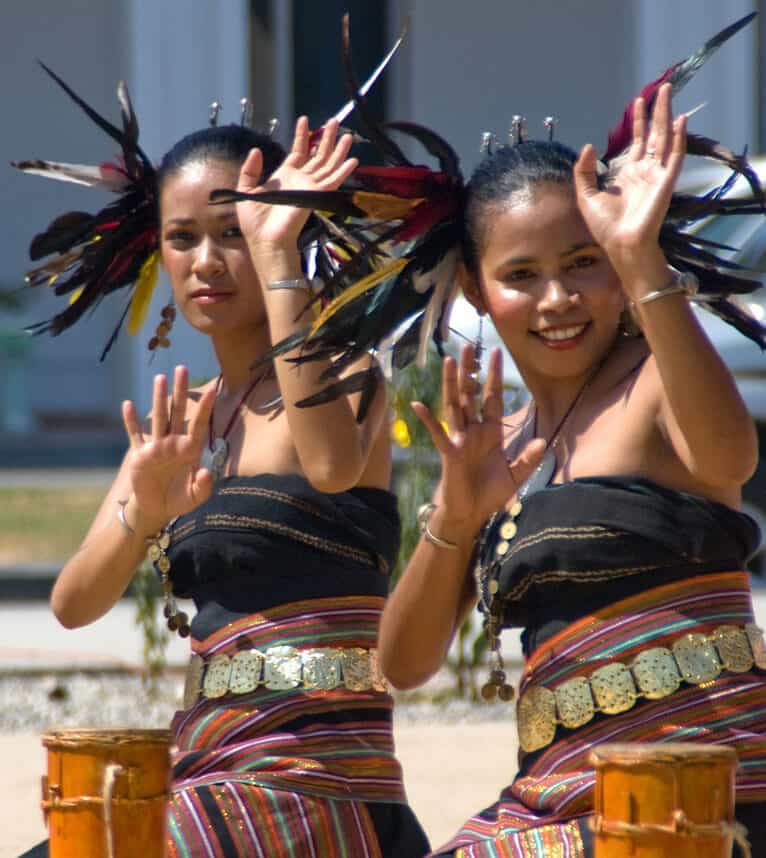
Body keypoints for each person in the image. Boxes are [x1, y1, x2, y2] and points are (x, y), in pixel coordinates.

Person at [17, 74, 429, 856]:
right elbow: (73, 603)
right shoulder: (186, 417)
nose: (207, 259)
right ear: (159, 257)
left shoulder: (342, 375)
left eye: (234, 231)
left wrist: (279, 254)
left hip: (318, 783)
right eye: (183, 238)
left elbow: (333, 465)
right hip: (211, 769)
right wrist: (143, 506)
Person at [375, 75, 766, 856]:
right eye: (521, 275)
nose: (557, 298)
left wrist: (640, 257)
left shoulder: (659, 380)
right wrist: (456, 514)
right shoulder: (496, 446)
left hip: (707, 794)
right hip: (554, 798)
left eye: (585, 262)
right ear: (475, 293)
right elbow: (404, 664)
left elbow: (732, 457)